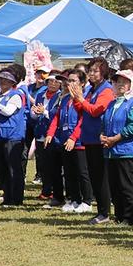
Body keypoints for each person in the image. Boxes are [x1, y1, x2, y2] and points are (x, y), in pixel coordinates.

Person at [72, 58, 115, 225]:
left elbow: (97, 110)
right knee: (94, 176)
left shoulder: (106, 90)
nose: (91, 73)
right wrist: (77, 98)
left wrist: (81, 99)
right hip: (89, 136)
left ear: (103, 72)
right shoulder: (91, 90)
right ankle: (101, 211)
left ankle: (104, 212)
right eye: (90, 70)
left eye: (95, 71)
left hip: (99, 138)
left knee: (100, 177)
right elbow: (82, 110)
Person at [46, 69, 93, 215]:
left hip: (79, 142)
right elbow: (57, 118)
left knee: (82, 172)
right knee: (69, 172)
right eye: (68, 80)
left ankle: (87, 201)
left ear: (83, 83)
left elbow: (83, 120)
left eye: (73, 81)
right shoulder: (65, 98)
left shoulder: (85, 98)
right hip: (64, 140)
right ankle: (74, 199)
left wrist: (74, 138)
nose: (69, 83)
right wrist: (50, 133)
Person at [101, 70, 133, 226]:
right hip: (111, 152)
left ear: (131, 84)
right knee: (115, 186)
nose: (120, 85)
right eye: (117, 81)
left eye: (124, 82)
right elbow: (104, 123)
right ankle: (119, 216)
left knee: (127, 186)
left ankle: (130, 218)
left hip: (126, 151)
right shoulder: (112, 103)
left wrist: (114, 139)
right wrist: (102, 136)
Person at [0, 69, 26, 207]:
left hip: (13, 136)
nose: (1, 82)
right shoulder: (0, 96)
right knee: (3, 169)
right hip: (0, 136)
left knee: (14, 169)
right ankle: (7, 197)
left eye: (5, 80)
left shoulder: (16, 95)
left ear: (11, 82)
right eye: (0, 80)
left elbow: (8, 111)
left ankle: (16, 198)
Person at [30, 72, 61, 207]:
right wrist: (35, 112)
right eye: (50, 81)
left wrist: (45, 112)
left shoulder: (60, 96)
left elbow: (57, 115)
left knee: (52, 165)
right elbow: (34, 115)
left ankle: (54, 190)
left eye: (56, 82)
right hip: (40, 133)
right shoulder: (41, 95)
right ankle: (46, 189)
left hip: (53, 134)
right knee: (42, 164)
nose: (53, 84)